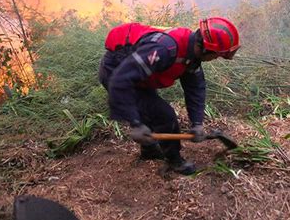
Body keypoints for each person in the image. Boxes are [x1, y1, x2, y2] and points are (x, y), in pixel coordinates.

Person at [98, 17, 240, 175]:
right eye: (216, 55)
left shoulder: (192, 54)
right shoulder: (164, 49)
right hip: (116, 72)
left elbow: (195, 88)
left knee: (151, 109)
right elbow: (120, 80)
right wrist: (135, 122)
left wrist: (197, 123)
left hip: (141, 76)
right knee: (164, 116)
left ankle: (149, 151)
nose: (215, 59)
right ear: (205, 48)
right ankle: (175, 161)